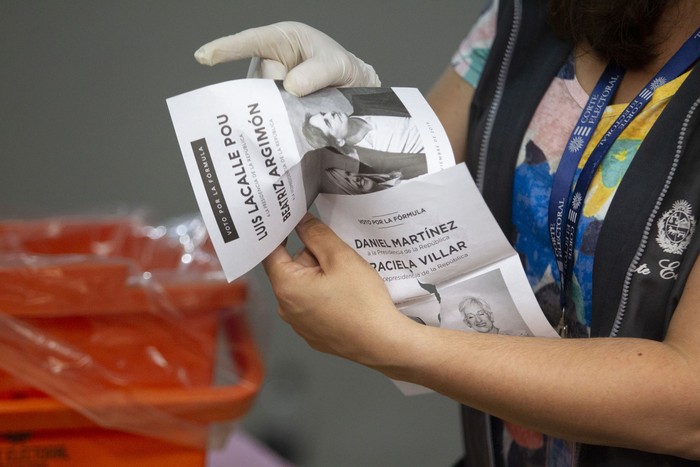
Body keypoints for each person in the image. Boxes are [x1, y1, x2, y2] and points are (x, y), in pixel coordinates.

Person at [194, 1, 700, 464]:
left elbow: (689, 405)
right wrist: (338, 115)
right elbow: (415, 199)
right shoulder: (525, 19)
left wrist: (396, 346)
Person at [323, 167, 402, 195]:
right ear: (348, 189)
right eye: (348, 181)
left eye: (349, 173)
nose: (354, 178)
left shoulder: (398, 177)